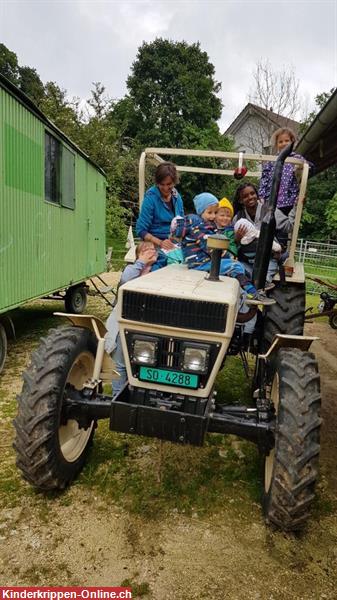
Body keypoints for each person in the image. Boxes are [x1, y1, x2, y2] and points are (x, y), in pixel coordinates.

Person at [172, 192, 275, 306]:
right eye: (209, 212)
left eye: (215, 212)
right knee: (234, 266)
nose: (212, 216)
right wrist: (227, 256)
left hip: (205, 261)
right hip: (199, 263)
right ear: (201, 212)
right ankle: (252, 294)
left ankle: (255, 285)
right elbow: (211, 247)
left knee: (239, 265)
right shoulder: (199, 227)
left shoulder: (206, 225)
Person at [105, 241, 158, 398]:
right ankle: (118, 396)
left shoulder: (159, 271)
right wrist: (141, 262)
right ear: (138, 255)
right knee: (120, 363)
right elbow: (126, 280)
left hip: (147, 324)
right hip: (125, 322)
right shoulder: (132, 269)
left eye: (153, 249)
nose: (151, 251)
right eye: (146, 250)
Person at [233, 182, 296, 284]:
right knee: (238, 273)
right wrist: (237, 238)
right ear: (240, 200)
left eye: (252, 193)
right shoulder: (238, 218)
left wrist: (296, 206)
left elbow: (288, 226)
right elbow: (233, 243)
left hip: (268, 259)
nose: (250, 197)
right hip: (247, 260)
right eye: (245, 196)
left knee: (263, 279)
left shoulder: (270, 211)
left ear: (257, 195)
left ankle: (262, 288)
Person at [258, 127, 314, 215]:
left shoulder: (296, 158)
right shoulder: (272, 161)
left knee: (287, 224)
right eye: (280, 142)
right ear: (276, 145)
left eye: (287, 140)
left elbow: (308, 167)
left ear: (292, 142)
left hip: (289, 200)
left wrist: (305, 166)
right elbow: (264, 178)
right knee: (272, 224)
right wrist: (261, 195)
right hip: (272, 201)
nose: (284, 143)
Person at [136, 162, 184, 251]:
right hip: (154, 245)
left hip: (174, 244)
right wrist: (160, 243)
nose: (166, 188)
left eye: (169, 184)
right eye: (162, 184)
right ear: (157, 183)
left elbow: (181, 222)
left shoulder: (177, 198)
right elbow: (141, 230)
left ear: (174, 182)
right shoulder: (150, 199)